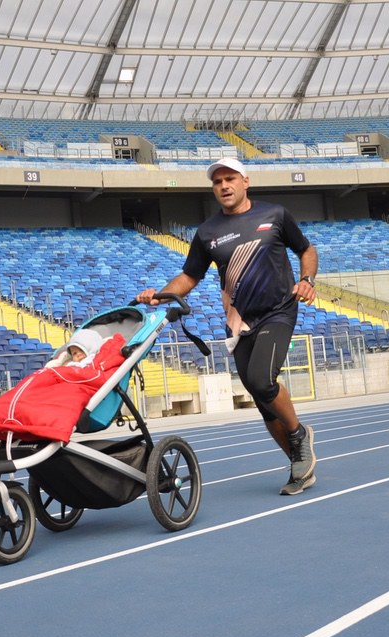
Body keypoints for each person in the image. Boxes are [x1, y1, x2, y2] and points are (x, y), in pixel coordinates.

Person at [136, 158, 319, 496]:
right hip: (239, 322)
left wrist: (307, 280)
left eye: (230, 178)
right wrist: (160, 295)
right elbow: (190, 275)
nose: (224, 185)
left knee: (262, 381)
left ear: (245, 181)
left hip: (278, 311)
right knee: (261, 399)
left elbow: (306, 249)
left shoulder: (275, 215)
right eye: (217, 181)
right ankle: (298, 462)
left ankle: (299, 435)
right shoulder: (207, 233)